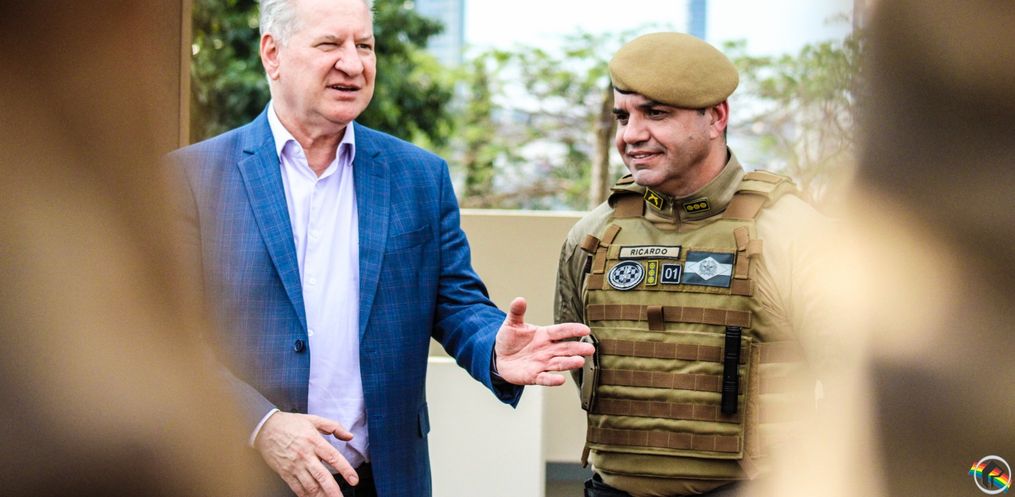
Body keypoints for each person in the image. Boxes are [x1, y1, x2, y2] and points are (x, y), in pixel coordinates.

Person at [168, 0, 594, 496]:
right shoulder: (190, 179)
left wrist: (494, 348)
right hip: (239, 475)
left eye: (365, 46)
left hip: (384, 478)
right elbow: (166, 336)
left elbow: (456, 303)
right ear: (272, 53)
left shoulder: (419, 176)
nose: (353, 64)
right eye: (330, 44)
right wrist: (262, 425)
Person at [555, 32, 841, 497]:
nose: (631, 134)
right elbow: (580, 365)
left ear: (716, 117)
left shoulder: (795, 235)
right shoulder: (594, 235)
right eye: (623, 116)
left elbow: (861, 390)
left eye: (656, 113)